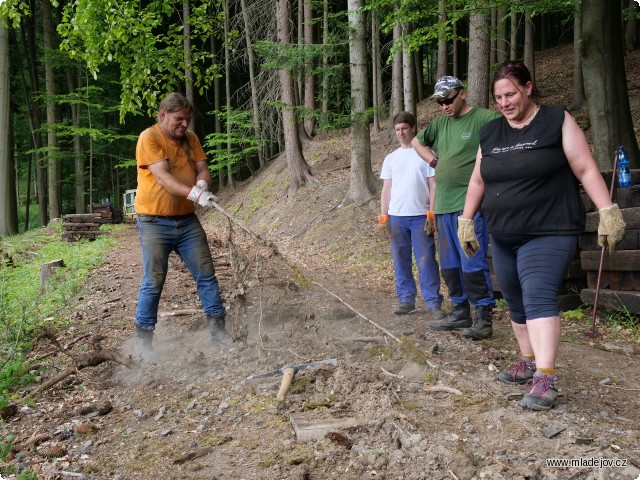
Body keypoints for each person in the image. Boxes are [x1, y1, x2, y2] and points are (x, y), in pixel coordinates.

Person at [458, 60, 626, 411]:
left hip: (549, 229)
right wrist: (466, 218)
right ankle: (527, 361)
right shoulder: (490, 133)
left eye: (511, 94)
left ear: (528, 88)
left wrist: (607, 209)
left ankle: (546, 379)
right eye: (498, 97)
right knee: (515, 297)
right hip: (503, 232)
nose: (504, 103)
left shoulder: (556, 120)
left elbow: (584, 168)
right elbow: (478, 179)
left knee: (537, 293)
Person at [133, 92, 232, 356]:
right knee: (153, 280)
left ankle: (218, 332)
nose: (184, 124)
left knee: (207, 275)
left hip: (187, 221)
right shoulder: (150, 137)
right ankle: (143, 342)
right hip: (154, 222)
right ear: (163, 115)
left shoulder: (191, 139)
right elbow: (163, 177)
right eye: (179, 119)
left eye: (187, 119)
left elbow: (202, 167)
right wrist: (194, 194)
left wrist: (202, 184)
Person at [412, 76, 500, 339]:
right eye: (440, 102)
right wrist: (434, 160)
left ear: (462, 94)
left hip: (468, 205)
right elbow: (417, 141)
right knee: (449, 264)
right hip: (442, 205)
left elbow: (500, 146)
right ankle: (460, 311)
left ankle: (483, 316)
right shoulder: (440, 123)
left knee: (472, 260)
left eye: (448, 100)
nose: (444, 106)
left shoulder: (485, 118)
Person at [378, 111, 444, 319]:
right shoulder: (391, 158)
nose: (401, 133)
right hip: (397, 216)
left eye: (404, 128)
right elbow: (386, 189)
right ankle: (406, 299)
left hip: (420, 216)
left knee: (426, 260)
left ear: (413, 128)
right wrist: (383, 217)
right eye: (397, 129)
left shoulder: (425, 154)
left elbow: (434, 184)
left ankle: (433, 301)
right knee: (400, 259)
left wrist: (431, 213)